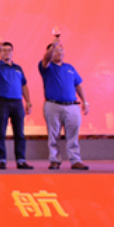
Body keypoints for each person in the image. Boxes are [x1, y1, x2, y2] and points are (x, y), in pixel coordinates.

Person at [39, 37, 90, 170]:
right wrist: (53, 46)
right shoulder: (47, 67)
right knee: (53, 134)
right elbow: (46, 58)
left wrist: (85, 101)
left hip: (72, 106)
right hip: (53, 105)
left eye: (61, 50)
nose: (59, 52)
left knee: (73, 135)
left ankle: (75, 160)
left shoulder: (70, 68)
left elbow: (78, 85)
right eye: (56, 50)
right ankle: (54, 160)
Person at [0, 41, 34, 170]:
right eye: (3, 50)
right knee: (1, 132)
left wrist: (28, 102)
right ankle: (1, 160)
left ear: (12, 52)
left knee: (19, 133)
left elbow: (24, 85)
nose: (6, 52)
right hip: (1, 102)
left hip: (17, 103)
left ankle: (21, 160)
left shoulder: (18, 68)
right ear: (0, 53)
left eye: (9, 50)